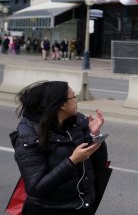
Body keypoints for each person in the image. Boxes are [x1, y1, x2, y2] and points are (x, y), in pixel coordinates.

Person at [10, 81, 108, 215]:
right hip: (49, 211)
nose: (76, 100)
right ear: (62, 105)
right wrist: (72, 161)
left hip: (82, 206)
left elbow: (100, 164)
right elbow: (36, 188)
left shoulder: (77, 123)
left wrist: (93, 135)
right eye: (73, 97)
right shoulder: (29, 137)